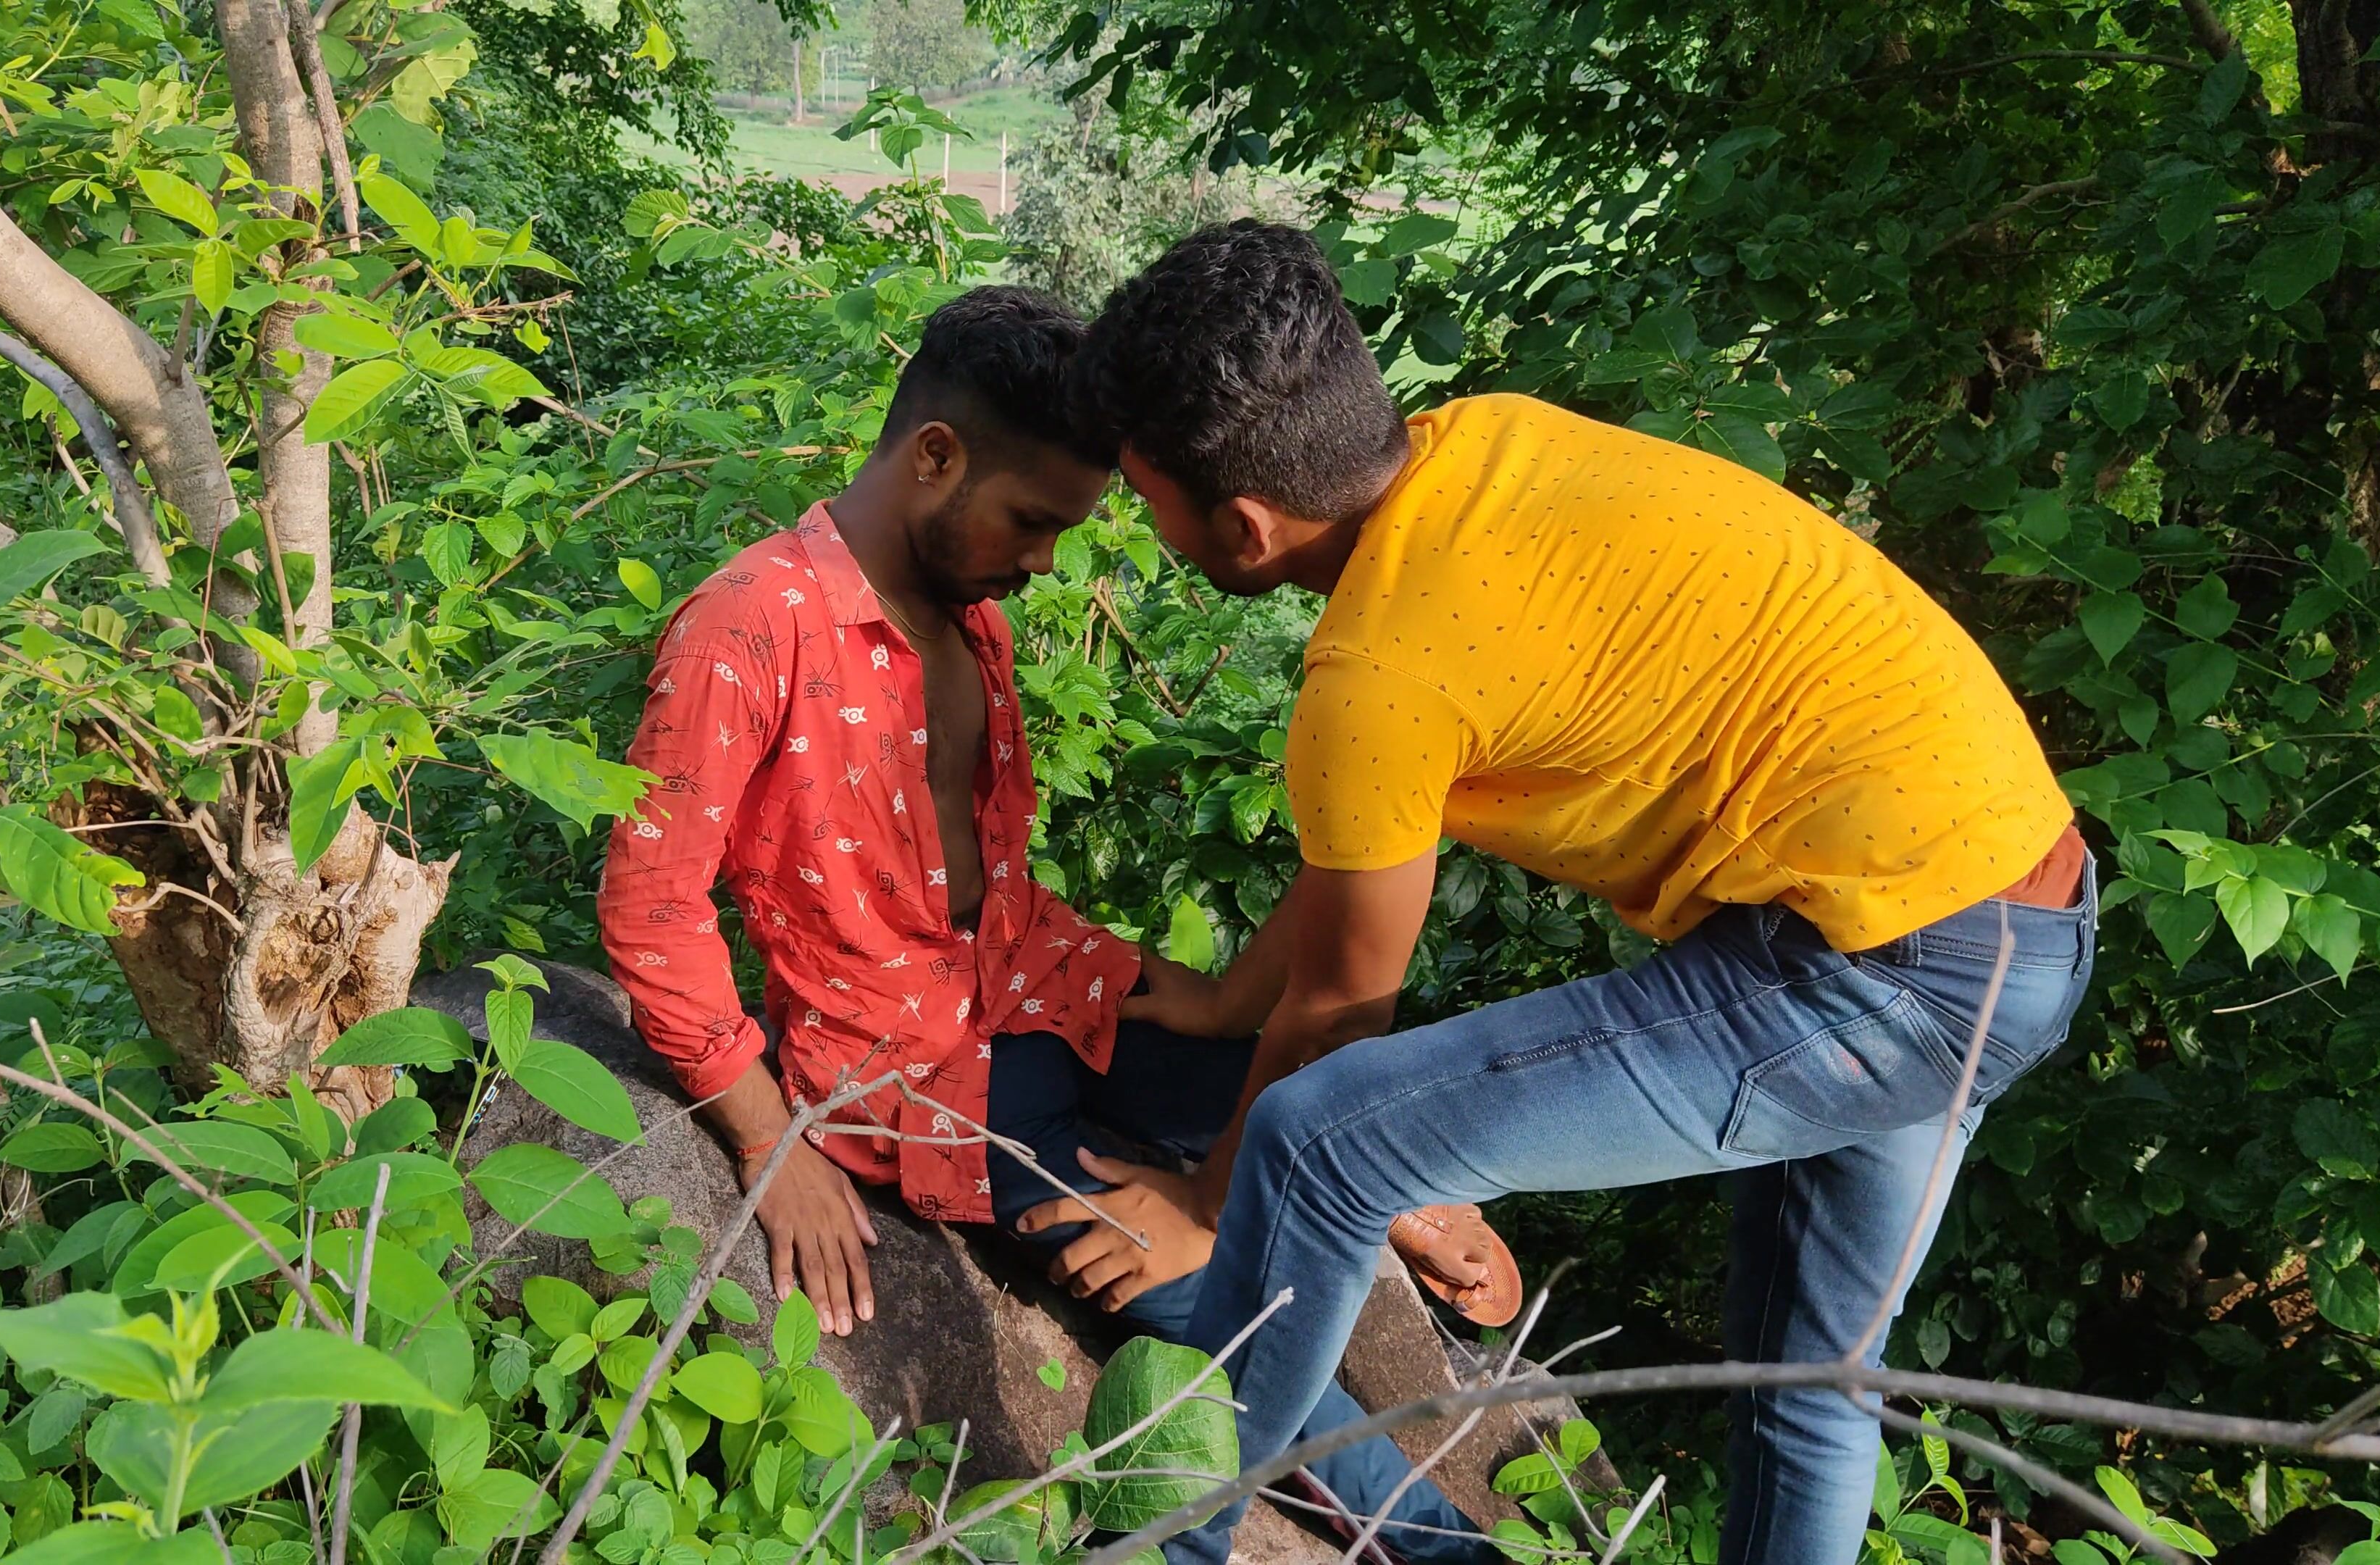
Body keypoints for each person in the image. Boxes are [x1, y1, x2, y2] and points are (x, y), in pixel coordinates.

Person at [1062, 222, 2095, 1565]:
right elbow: (1345, 897)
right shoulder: (1487, 447)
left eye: (1148, 499)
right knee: (1806, 1386)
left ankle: (1169, 1544)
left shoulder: (1377, 675)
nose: (1147, 527)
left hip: (1877, 968)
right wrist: (1219, 1004)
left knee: (1316, 1142)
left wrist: (1204, 1205)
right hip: (2019, 909)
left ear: (1245, 527)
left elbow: (1339, 1010)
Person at [596, 286, 1500, 1564]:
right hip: (917, 1067)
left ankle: (1399, 1210)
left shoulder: (969, 613)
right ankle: (1442, 1546)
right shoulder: (751, 626)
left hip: (1048, 978)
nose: (1042, 561)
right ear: (935, 455)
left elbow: (994, 880)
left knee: (1308, 1090)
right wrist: (765, 1138)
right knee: (1208, 1302)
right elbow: (650, 903)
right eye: (1032, 521)